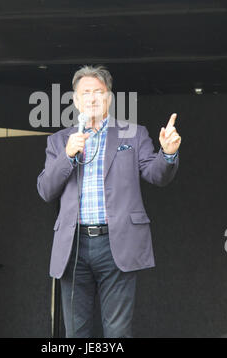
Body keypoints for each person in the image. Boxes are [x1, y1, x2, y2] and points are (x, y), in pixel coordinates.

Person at [37, 65, 181, 338]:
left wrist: (168, 154)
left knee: (117, 331)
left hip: (117, 242)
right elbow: (45, 190)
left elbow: (156, 175)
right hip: (74, 246)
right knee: (76, 332)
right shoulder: (58, 141)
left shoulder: (133, 134)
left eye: (99, 92)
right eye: (85, 93)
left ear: (109, 98)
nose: (92, 98)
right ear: (76, 100)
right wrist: (67, 156)